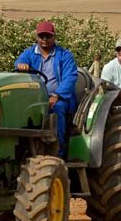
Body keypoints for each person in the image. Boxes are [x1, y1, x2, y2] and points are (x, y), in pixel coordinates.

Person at [15, 21, 78, 157]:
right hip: (35, 97)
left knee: (57, 109)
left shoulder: (64, 55)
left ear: (53, 37)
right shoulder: (29, 53)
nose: (44, 39)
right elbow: (19, 62)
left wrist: (56, 95)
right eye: (41, 36)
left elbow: (70, 77)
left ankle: (57, 151)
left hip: (59, 97)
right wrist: (22, 66)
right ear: (37, 37)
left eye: (48, 36)